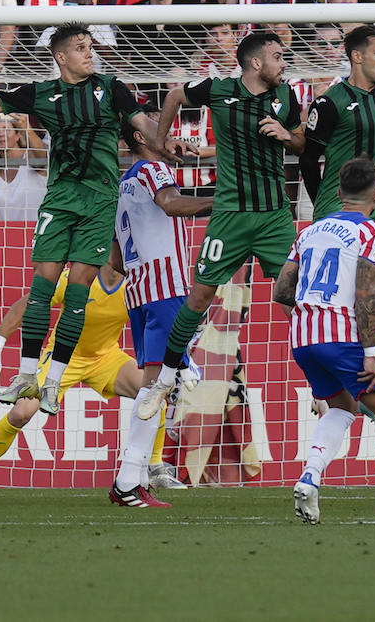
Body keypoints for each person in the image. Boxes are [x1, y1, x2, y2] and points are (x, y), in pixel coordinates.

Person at [0, 24, 168, 415]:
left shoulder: (112, 88)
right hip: (59, 199)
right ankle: (27, 376)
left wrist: (167, 142)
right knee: (42, 288)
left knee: (77, 292)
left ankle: (53, 382)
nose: (90, 54)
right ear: (61, 57)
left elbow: (144, 128)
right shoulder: (41, 93)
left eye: (91, 47)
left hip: (99, 201)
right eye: (81, 48)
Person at [139, 31, 304, 421]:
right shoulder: (218, 89)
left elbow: (302, 143)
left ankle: (322, 380)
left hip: (274, 217)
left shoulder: (286, 98)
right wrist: (162, 143)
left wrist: (287, 136)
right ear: (257, 63)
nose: (285, 64)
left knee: (294, 298)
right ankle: (164, 381)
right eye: (279, 57)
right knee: (198, 299)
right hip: (229, 214)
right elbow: (175, 95)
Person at [0, 259, 175, 506]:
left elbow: (161, 322)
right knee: (21, 413)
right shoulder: (76, 278)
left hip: (107, 357)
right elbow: (31, 302)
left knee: (154, 392)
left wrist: (182, 361)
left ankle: (156, 467)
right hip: (63, 358)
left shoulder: (135, 286)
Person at [275, 156, 375, 527]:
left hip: (303, 336)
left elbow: (281, 290)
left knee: (342, 408)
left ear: (339, 193)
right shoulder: (372, 231)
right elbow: (365, 291)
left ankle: (310, 475)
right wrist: (370, 351)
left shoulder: (309, 231)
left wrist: (315, 314)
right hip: (342, 338)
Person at [112, 114, 215, 505]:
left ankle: (130, 480)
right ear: (141, 137)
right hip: (165, 288)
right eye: (155, 122)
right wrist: (223, 200)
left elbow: (117, 258)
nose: (165, 124)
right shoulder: (155, 169)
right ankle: (127, 482)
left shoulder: (124, 184)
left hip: (137, 291)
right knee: (161, 387)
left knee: (152, 387)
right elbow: (170, 204)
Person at [300, 25, 375, 243]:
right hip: (336, 205)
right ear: (357, 56)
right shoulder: (330, 102)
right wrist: (322, 202)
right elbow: (308, 159)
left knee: (373, 276)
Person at [0, 112, 47, 223]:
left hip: (38, 235)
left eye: (6, 129)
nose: (1, 134)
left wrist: (27, 128)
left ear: (18, 135)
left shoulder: (30, 156)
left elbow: (42, 156)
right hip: (7, 236)